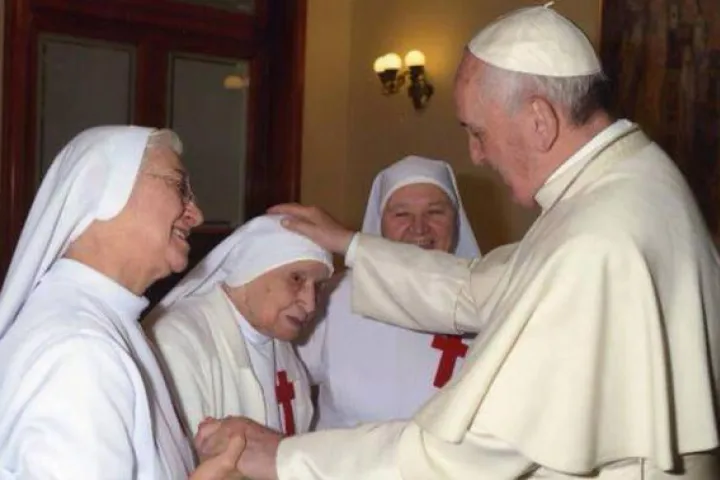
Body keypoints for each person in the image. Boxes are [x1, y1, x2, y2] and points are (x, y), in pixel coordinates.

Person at [196, 5, 720, 479]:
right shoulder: (627, 181)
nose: (476, 154)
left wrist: (284, 457)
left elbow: (469, 451)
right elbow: (478, 287)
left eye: (478, 131)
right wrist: (352, 244)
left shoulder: (595, 237)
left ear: (540, 120)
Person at [0, 126, 246, 479]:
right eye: (180, 187)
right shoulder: (80, 350)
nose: (196, 215)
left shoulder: (101, 323)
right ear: (105, 191)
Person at [297, 155, 481, 429]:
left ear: (456, 220)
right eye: (401, 214)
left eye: (435, 212)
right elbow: (284, 381)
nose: (419, 228)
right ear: (379, 222)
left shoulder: (483, 300)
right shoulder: (331, 298)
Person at [145, 214, 333, 439]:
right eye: (296, 279)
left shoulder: (278, 342)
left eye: (318, 286)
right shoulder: (177, 340)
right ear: (251, 269)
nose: (310, 304)